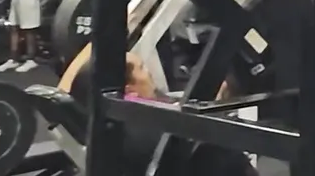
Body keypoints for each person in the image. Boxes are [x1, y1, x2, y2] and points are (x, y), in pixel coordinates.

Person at [67, 51, 249, 176]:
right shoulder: (158, 131)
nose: (149, 73)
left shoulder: (105, 134)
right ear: (129, 89)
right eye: (142, 68)